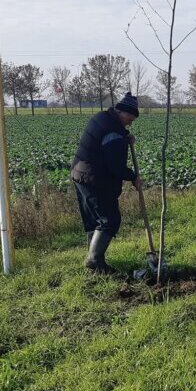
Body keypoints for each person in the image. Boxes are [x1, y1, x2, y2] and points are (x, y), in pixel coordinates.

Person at [70, 92, 143, 274]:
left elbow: (108, 137)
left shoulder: (103, 117)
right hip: (95, 178)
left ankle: (93, 262)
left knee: (94, 220)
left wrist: (124, 137)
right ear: (123, 113)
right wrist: (133, 177)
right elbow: (115, 166)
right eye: (130, 119)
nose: (130, 123)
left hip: (80, 174)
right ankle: (94, 261)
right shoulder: (114, 132)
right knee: (109, 220)